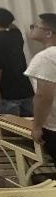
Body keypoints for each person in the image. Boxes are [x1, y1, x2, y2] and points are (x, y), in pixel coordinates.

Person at [0, 6, 34, 115]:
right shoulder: (16, 35)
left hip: (6, 91)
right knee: (28, 123)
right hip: (25, 88)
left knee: (9, 124)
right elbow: (13, 26)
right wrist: (5, 20)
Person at [25, 13, 56, 163]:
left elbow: (44, 96)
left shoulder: (45, 57)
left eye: (34, 26)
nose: (31, 29)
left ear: (48, 33)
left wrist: (37, 126)